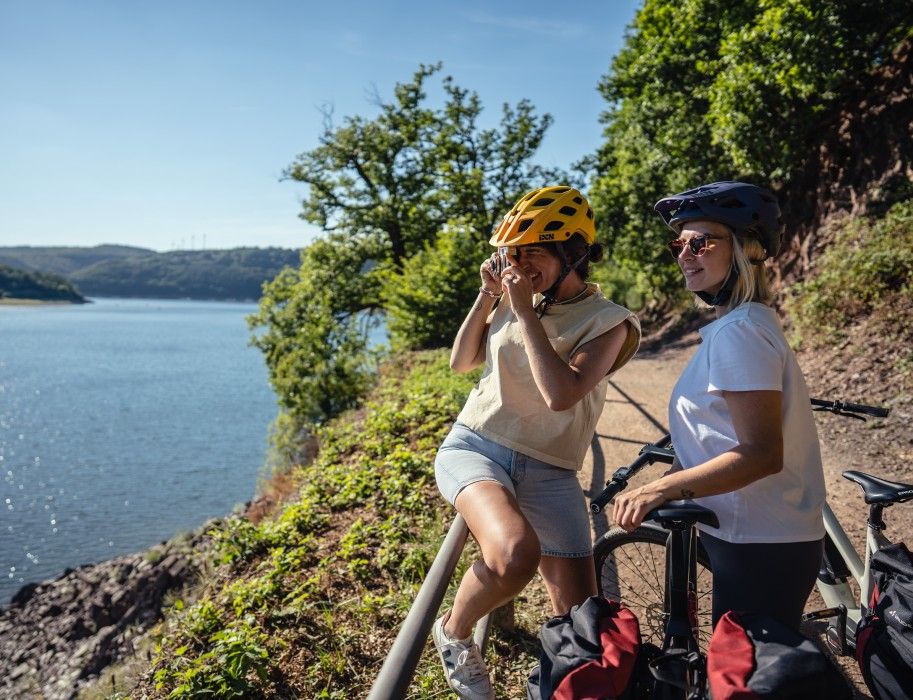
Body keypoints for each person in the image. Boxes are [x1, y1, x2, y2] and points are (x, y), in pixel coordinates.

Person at [432, 186, 641, 700]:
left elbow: (561, 395)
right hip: (476, 446)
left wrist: (524, 313)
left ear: (573, 250)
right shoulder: (513, 295)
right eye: (513, 252)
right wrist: (490, 297)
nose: (519, 264)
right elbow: (461, 363)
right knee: (514, 554)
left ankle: (555, 688)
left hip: (550, 468)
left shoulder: (608, 322)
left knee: (581, 620)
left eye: (533, 251)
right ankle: (455, 633)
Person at [612, 181, 826, 632]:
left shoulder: (740, 332)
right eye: (679, 244)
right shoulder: (739, 326)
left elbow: (761, 452)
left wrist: (662, 490)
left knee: (750, 677)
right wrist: (675, 477)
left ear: (746, 249)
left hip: (760, 540)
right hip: (753, 535)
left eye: (700, 242)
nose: (684, 254)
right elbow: (720, 436)